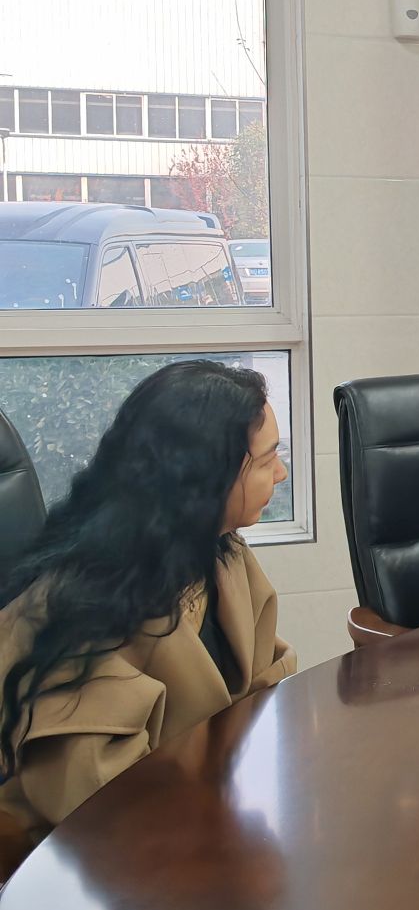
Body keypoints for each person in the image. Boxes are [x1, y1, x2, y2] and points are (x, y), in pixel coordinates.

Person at [0, 361, 296, 850]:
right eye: (267, 461)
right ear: (204, 477)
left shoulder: (221, 553)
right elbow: (97, 801)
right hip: (86, 859)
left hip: (202, 820)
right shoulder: (83, 607)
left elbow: (268, 690)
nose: (281, 474)